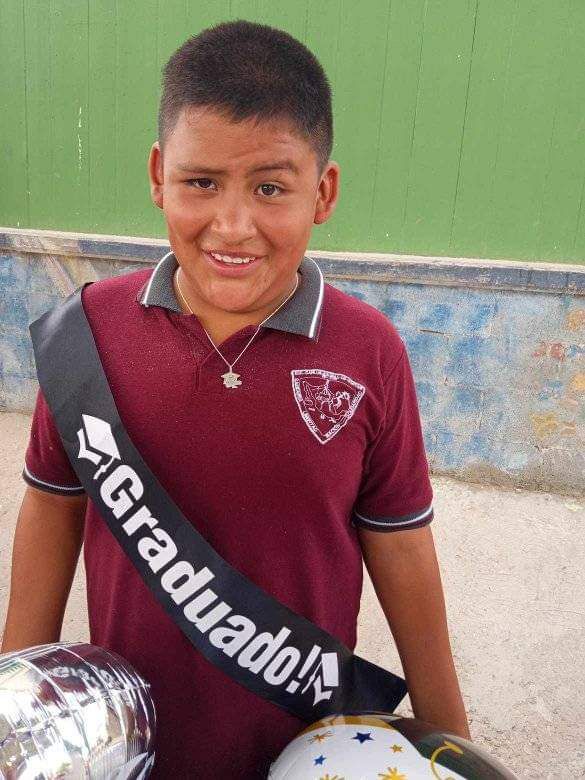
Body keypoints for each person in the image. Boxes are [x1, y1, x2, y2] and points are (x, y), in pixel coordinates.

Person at [2, 19, 470, 778]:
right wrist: (18, 709)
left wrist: (450, 740)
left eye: (270, 188)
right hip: (129, 742)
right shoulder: (86, 335)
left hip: (305, 747)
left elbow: (400, 542)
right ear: (158, 175)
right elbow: (52, 510)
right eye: (200, 183)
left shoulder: (369, 350)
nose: (232, 225)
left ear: (323, 192)